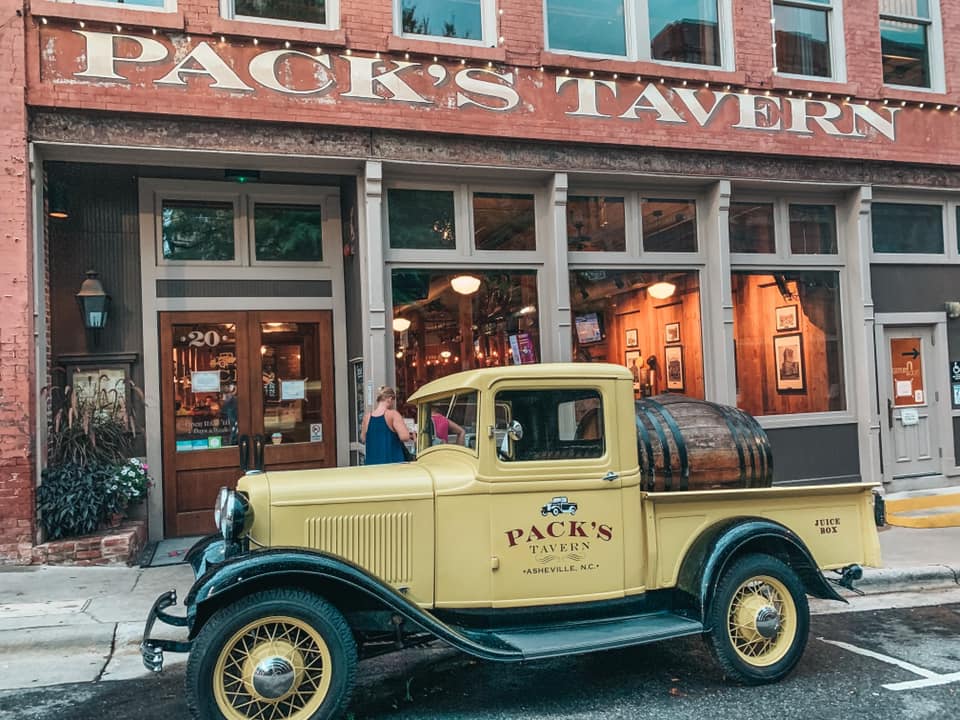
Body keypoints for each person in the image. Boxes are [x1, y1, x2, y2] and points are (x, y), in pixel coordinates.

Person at [360, 386, 415, 464]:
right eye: (393, 400)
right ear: (389, 399)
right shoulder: (392, 414)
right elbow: (405, 436)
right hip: (391, 464)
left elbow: (363, 438)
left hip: (372, 465)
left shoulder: (367, 417)